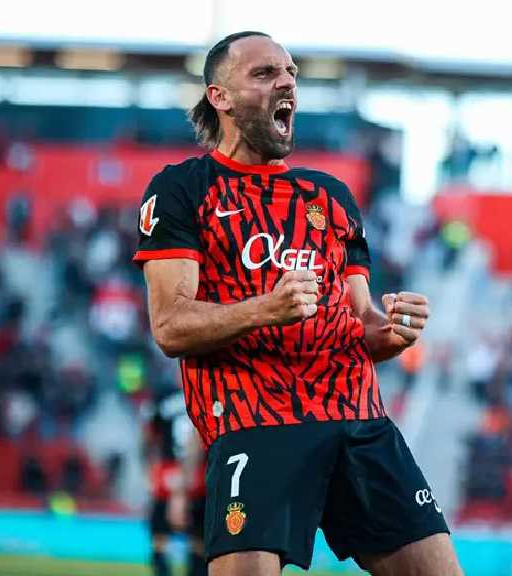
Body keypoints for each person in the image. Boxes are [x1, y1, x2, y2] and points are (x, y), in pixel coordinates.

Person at [133, 31, 461, 576]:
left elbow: (363, 324)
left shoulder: (330, 196)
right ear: (220, 96)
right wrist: (267, 307)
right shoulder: (182, 189)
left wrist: (395, 330)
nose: (285, 82)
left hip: (358, 420)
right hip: (256, 423)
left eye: (290, 73)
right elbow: (170, 327)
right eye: (264, 73)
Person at [143, 384, 205, 576]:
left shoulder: (163, 395)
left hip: (167, 473)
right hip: (200, 474)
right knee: (199, 542)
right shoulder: (207, 390)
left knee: (159, 540)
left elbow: (148, 434)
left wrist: (149, 467)